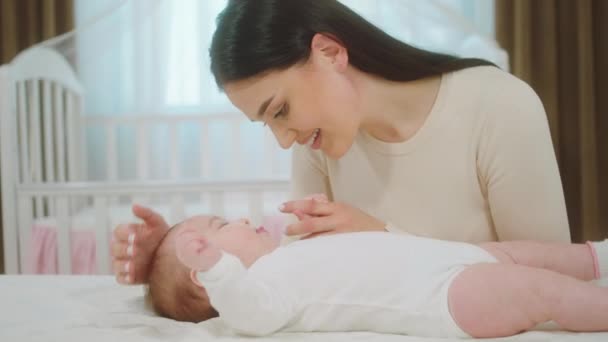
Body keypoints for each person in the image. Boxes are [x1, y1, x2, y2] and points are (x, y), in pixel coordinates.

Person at [112, 0, 602, 285]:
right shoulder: (316, 145)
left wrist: (384, 235)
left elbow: (558, 280)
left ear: (329, 52)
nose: (286, 140)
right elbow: (291, 281)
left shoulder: (498, 107)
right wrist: (177, 268)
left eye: (280, 111)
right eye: (267, 125)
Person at [145, 214, 608, 338]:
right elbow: (249, 314)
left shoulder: (289, 253)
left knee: (521, 254)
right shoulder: (262, 292)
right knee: (536, 290)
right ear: (206, 276)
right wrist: (224, 275)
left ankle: (599, 259)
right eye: (223, 227)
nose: (242, 220)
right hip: (444, 297)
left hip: (451, 257)